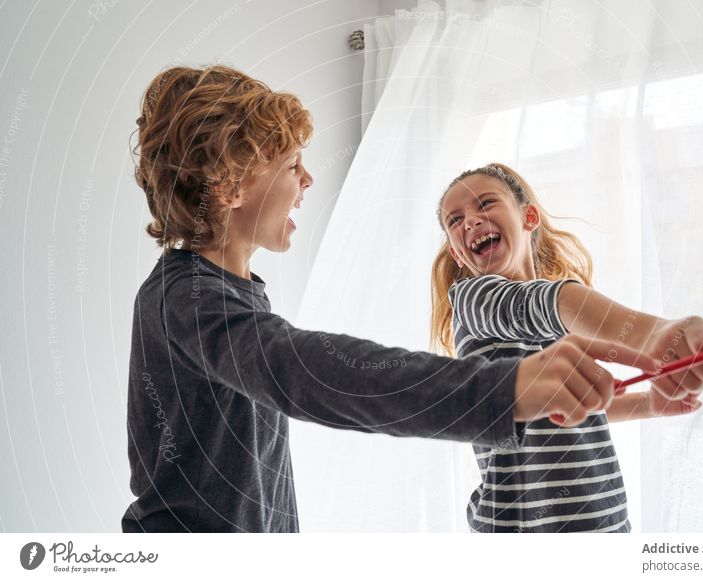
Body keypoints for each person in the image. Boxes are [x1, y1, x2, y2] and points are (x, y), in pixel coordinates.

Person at [123, 66, 660, 533]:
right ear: (229, 186)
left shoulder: (234, 294)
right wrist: (504, 389)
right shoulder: (183, 299)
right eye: (291, 165)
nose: (307, 178)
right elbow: (307, 371)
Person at [430, 162, 703, 532]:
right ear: (459, 254)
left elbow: (567, 412)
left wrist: (647, 404)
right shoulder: (472, 299)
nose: (470, 222)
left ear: (529, 217)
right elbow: (543, 302)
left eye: (485, 204)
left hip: (603, 520)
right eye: (455, 221)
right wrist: (654, 333)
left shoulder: (559, 322)